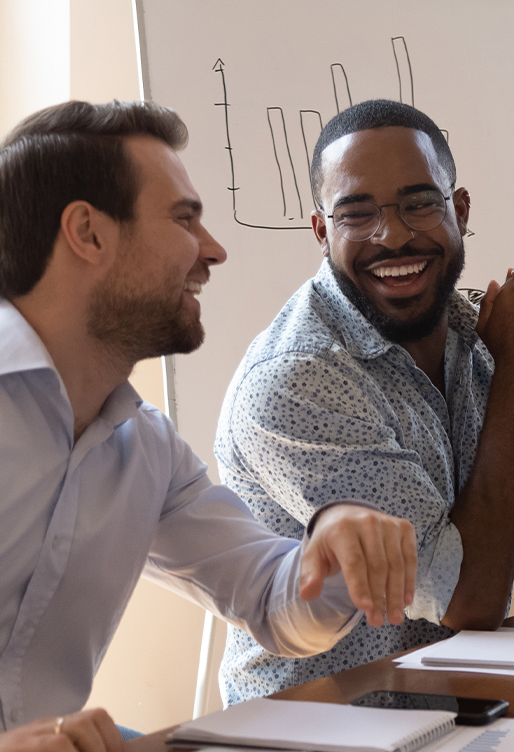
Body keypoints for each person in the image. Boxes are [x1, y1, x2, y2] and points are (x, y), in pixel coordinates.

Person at [0, 101, 419, 751]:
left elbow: (275, 607)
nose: (214, 251)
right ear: (88, 233)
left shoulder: (146, 449)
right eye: (184, 219)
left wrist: (331, 547)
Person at [214, 100, 514, 701]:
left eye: (419, 204)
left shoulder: (472, 335)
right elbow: (469, 599)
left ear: (458, 210)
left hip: (458, 710)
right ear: (322, 232)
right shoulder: (297, 379)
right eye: (357, 214)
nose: (394, 234)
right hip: (323, 729)